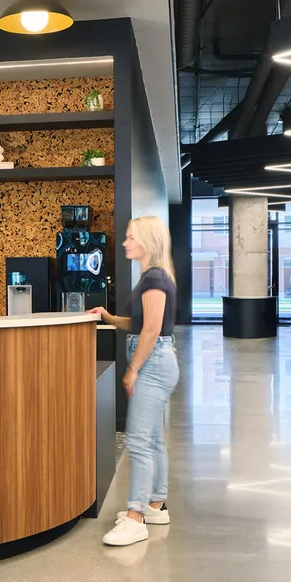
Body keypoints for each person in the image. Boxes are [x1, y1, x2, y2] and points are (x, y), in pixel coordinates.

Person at [88, 216, 179, 547]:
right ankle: (156, 504)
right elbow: (142, 323)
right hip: (157, 362)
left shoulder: (154, 277)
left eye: (130, 238)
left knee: (139, 441)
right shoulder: (153, 276)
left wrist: (133, 370)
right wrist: (110, 318)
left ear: (147, 241)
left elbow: (152, 331)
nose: (124, 243)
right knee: (153, 439)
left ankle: (136, 517)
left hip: (153, 364)